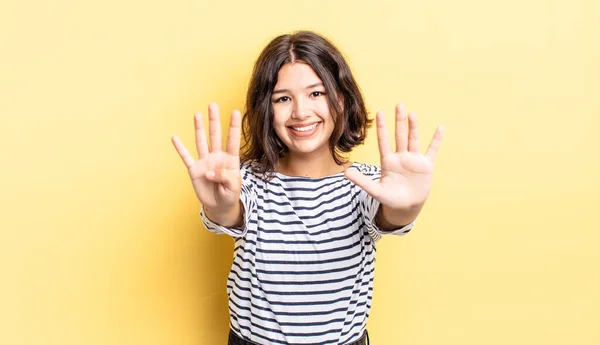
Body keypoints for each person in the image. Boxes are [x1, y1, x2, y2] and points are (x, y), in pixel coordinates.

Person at [171, 31, 444, 345]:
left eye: (316, 94)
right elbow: (231, 210)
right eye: (283, 98)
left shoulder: (368, 185)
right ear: (267, 110)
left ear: (340, 99)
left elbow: (390, 213)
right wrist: (219, 206)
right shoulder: (245, 181)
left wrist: (408, 205)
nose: (300, 111)